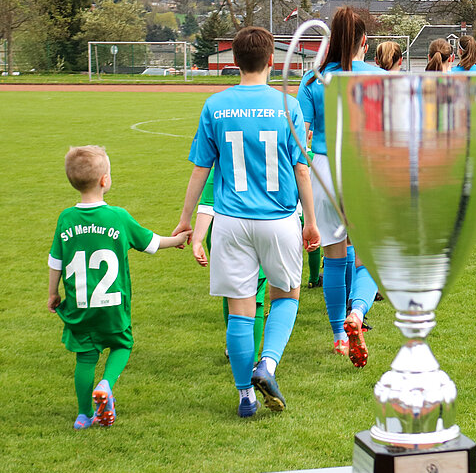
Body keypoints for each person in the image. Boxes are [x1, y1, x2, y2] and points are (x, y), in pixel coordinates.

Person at [176, 26, 320, 417]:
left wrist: (185, 219)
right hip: (278, 219)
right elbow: (302, 171)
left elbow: (200, 170)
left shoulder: (214, 106)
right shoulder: (288, 106)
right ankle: (267, 365)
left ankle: (245, 396)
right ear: (271, 61)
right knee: (286, 295)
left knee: (241, 310)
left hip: (230, 223)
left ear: (234, 62)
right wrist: (310, 222)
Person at [48, 146, 187, 429]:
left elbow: (56, 260)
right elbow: (151, 243)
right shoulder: (118, 217)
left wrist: (53, 293)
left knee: (85, 357)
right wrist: (180, 238)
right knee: (123, 344)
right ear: (104, 181)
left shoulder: (66, 218)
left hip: (80, 306)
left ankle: (84, 415)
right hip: (112, 306)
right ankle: (107, 384)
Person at [298, 8, 380, 366]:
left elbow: (300, 136)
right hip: (364, 168)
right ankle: (358, 313)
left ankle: (337, 336)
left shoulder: (312, 80)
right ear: (364, 41)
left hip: (323, 168)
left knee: (333, 256)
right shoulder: (377, 76)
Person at [192, 170, 267, 357]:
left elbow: (208, 202)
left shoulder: (224, 156)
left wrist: (197, 239)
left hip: (225, 233)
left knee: (232, 292)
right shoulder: (268, 151)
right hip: (262, 228)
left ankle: (235, 347)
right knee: (256, 297)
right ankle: (252, 358)